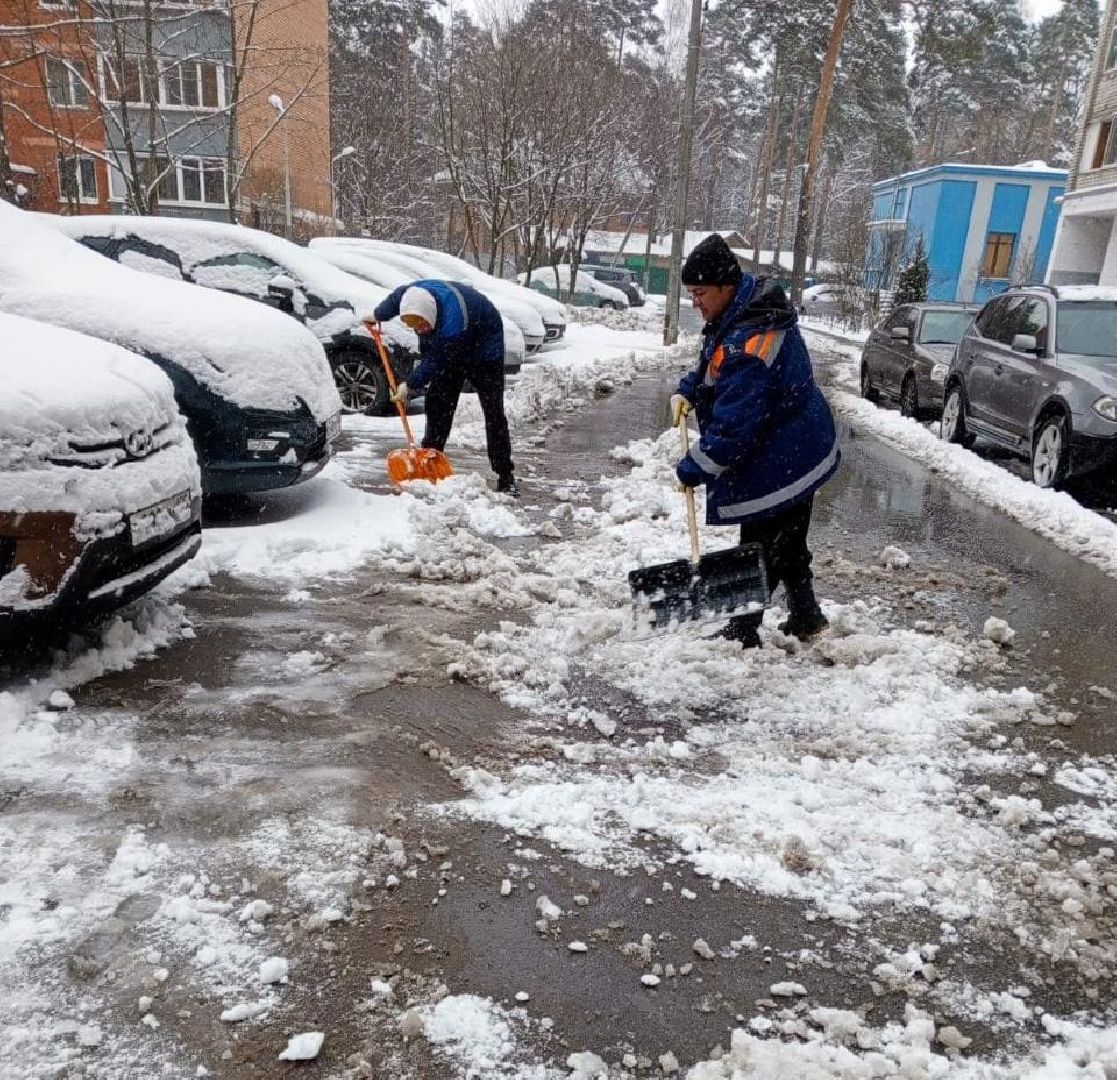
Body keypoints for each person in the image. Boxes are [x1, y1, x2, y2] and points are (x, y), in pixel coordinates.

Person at [671, 234, 839, 648]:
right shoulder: (739, 316)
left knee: (761, 548)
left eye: (699, 293)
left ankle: (741, 631)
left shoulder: (751, 336)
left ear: (725, 287)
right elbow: (714, 363)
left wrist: (693, 467)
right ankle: (807, 619)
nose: (696, 302)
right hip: (785, 448)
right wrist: (689, 390)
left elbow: (734, 428)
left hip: (788, 457)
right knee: (788, 540)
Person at [374, 280, 518, 495]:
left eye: (423, 325)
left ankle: (505, 475)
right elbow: (395, 301)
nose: (419, 330)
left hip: (485, 350)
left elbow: (437, 359)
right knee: (438, 405)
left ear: (431, 314)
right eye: (415, 327)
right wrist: (377, 315)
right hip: (449, 345)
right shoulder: (412, 295)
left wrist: (410, 385)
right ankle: (430, 461)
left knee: (493, 412)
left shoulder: (453, 322)